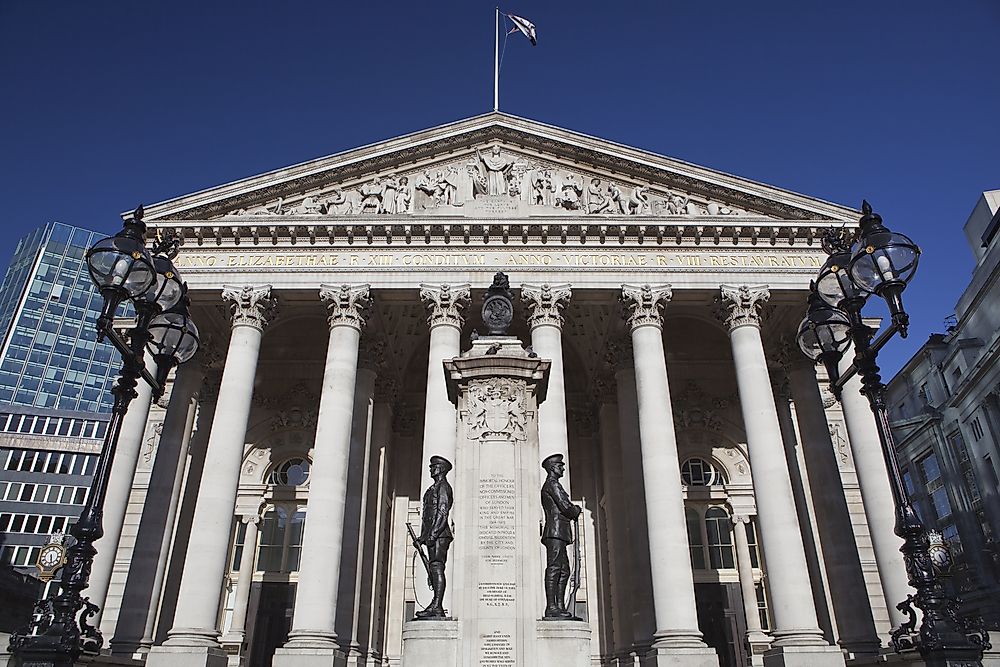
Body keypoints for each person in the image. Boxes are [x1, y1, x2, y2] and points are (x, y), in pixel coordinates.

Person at [540, 453, 582, 620]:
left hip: (560, 533)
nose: (563, 468)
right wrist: (576, 510)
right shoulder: (552, 485)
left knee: (564, 570)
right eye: (560, 465)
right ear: (552, 468)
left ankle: (560, 607)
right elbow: (566, 507)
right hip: (555, 532)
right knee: (555, 568)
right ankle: (551, 607)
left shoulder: (555, 484)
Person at [415, 456, 454, 619]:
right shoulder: (432, 489)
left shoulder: (444, 487)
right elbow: (427, 516)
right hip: (433, 535)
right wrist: (422, 537)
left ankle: (437, 605)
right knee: (433, 567)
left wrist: (433, 533)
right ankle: (435, 603)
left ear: (442, 469)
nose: (431, 469)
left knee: (437, 566)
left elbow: (442, 512)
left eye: (434, 467)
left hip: (440, 535)